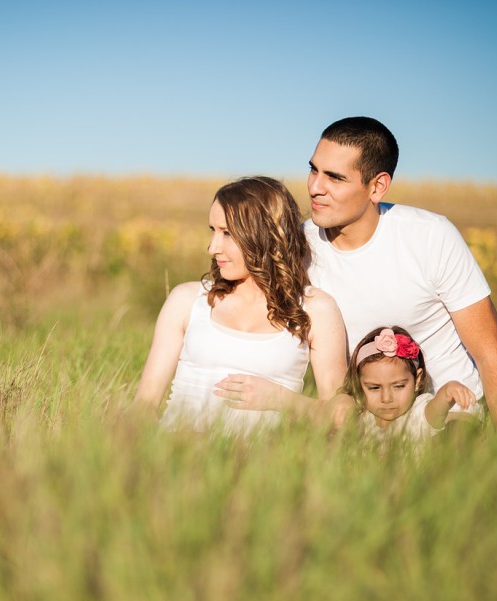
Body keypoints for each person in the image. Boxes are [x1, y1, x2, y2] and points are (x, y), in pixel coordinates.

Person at [215, 117, 497, 426]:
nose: (315, 187)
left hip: (450, 417)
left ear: (377, 186)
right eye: (314, 170)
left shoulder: (431, 236)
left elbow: (490, 353)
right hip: (363, 424)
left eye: (334, 178)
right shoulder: (298, 246)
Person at [133, 176, 347, 435]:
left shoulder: (316, 309)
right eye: (213, 231)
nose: (213, 247)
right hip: (177, 458)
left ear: (266, 234)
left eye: (227, 233)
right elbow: (144, 406)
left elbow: (342, 416)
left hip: (263, 468)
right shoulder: (187, 300)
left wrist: (281, 399)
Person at [339, 326, 477, 445]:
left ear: (417, 380)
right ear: (358, 384)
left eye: (398, 386)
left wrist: (448, 391)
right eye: (374, 388)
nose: (386, 398)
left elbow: (436, 410)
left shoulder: (418, 413)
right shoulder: (362, 416)